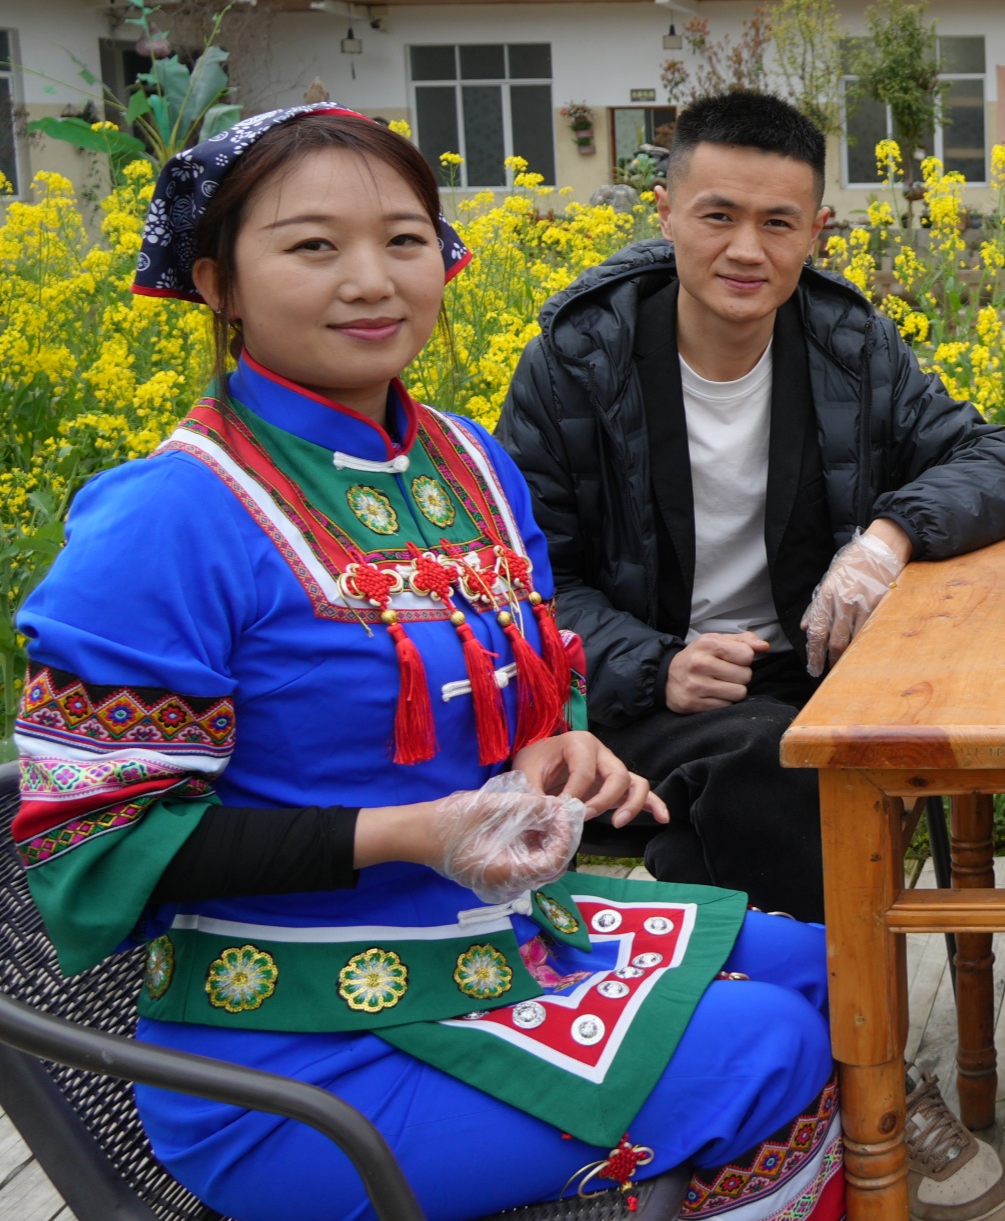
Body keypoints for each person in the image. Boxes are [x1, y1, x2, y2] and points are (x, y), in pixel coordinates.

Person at [10, 106, 842, 1221]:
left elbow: (536, 670)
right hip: (296, 1057)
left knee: (841, 963)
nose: (372, 280)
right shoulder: (168, 518)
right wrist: (418, 832)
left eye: (405, 240)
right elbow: (93, 848)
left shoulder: (468, 464)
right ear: (218, 281)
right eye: (314, 246)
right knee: (768, 1045)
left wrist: (560, 741)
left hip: (494, 947)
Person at [499, 90, 1005, 1221]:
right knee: (774, 767)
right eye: (719, 214)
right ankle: (873, 1074)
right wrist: (649, 659)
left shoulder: (846, 343)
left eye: (781, 222)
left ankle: (784, 1070)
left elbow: (993, 458)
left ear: (818, 230)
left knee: (756, 772)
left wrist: (888, 537)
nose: (749, 248)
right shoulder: (578, 358)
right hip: (628, 692)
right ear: (665, 212)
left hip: (797, 677)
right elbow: (526, 568)